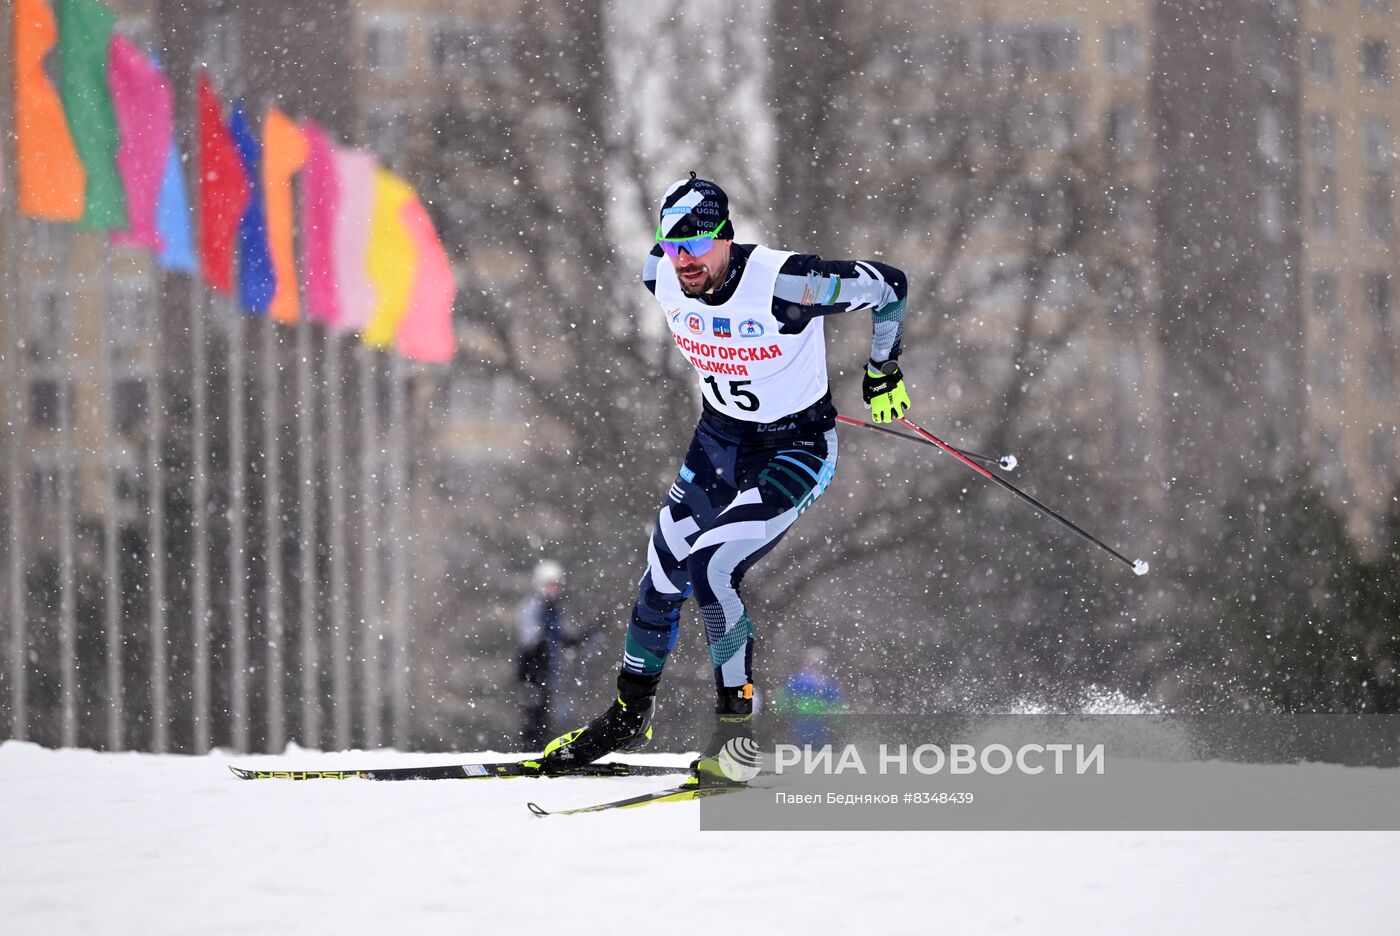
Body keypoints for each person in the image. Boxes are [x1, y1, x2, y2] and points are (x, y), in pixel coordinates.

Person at [539, 174, 910, 781]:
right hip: (719, 443)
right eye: (671, 243)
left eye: (696, 243)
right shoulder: (659, 273)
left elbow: (890, 286)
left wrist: (882, 370)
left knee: (712, 565)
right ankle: (629, 716)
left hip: (796, 447)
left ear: (726, 238)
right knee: (661, 572)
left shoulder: (788, 283)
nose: (683, 258)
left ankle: (736, 739)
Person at [516, 560, 591, 749]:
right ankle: (529, 751)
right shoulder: (533, 606)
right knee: (533, 714)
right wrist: (547, 635)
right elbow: (529, 639)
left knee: (544, 716)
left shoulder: (554, 609)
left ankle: (539, 749)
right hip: (531, 669)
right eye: (549, 585)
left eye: (556, 585)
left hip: (546, 670)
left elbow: (564, 637)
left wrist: (584, 635)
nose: (553, 589)